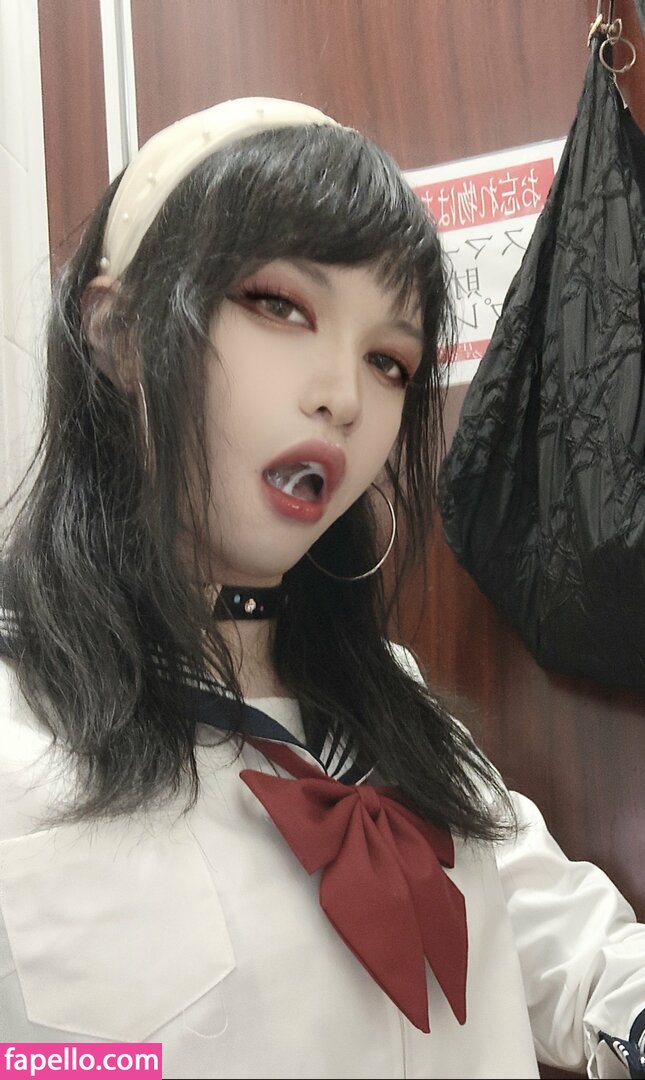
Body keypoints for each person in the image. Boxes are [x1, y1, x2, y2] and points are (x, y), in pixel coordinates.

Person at [0, 96, 643, 1080]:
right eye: (280, 306)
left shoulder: (396, 702)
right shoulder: (17, 727)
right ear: (119, 333)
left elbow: (573, 946)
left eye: (388, 360)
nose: (343, 397)